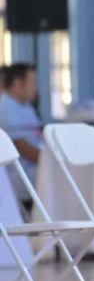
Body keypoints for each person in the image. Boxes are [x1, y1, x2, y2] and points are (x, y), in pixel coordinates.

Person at [0, 63, 42, 210]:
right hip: (19, 175)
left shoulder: (27, 107)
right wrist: (52, 161)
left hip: (36, 168)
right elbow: (22, 147)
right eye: (33, 82)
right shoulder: (5, 107)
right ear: (18, 84)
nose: (36, 88)